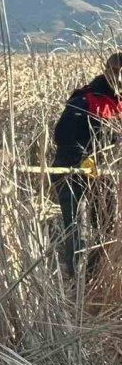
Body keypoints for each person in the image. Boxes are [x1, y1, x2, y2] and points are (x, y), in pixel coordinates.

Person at [52, 52, 122, 277]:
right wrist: (84, 160)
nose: (119, 78)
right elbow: (63, 136)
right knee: (78, 230)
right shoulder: (86, 99)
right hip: (72, 174)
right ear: (107, 71)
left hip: (105, 177)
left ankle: (93, 279)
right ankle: (77, 283)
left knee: (107, 229)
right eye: (116, 72)